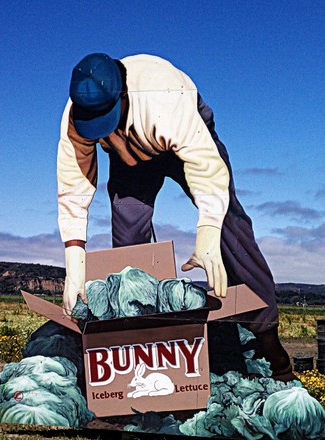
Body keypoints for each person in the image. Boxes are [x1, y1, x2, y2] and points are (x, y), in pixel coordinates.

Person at [57, 52, 295, 380]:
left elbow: (206, 168)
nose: (96, 133)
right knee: (127, 239)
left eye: (105, 120)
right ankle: (143, 350)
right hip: (131, 156)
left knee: (229, 225)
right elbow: (74, 186)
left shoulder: (162, 98)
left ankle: (268, 339)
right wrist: (74, 267)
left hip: (187, 140)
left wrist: (208, 233)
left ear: (122, 96)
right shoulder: (77, 116)